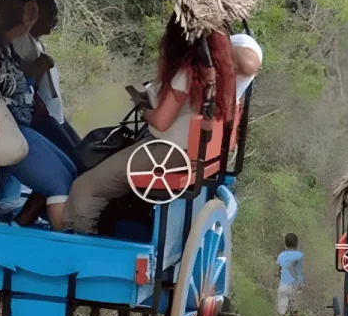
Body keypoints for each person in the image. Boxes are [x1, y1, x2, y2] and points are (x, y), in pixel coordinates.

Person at [63, 16, 236, 233]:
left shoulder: (186, 74)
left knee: (85, 187)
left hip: (169, 152)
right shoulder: (220, 73)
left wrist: (144, 110)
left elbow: (161, 122)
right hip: (195, 153)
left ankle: (81, 244)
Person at [0, 0, 76, 229]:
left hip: (19, 126)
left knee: (70, 170)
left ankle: (20, 225)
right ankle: (63, 253)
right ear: (23, 23)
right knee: (58, 184)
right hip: (2, 132)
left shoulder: (4, 46)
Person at [12, 0, 81, 149]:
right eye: (49, 13)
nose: (54, 19)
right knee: (76, 160)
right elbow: (17, 81)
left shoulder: (35, 42)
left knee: (81, 152)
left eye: (55, 13)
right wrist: (38, 68)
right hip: (40, 117)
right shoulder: (20, 42)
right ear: (31, 13)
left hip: (54, 115)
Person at [268, 233, 305, 316]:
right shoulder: (299, 255)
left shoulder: (281, 256)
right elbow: (299, 272)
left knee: (281, 313)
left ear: (286, 243)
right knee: (294, 314)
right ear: (297, 243)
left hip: (282, 285)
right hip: (294, 286)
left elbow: (278, 271)